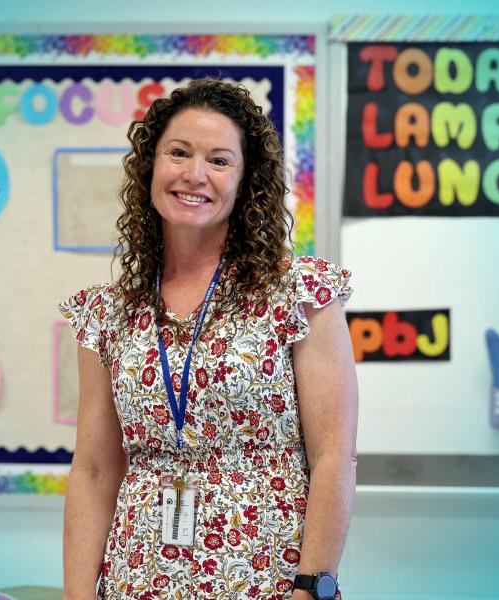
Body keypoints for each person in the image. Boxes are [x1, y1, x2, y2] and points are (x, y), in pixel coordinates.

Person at [59, 78, 358, 600]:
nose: (194, 175)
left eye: (219, 160)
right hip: (138, 578)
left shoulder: (299, 293)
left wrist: (314, 587)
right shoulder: (107, 314)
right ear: (151, 165)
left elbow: (335, 454)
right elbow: (93, 471)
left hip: (267, 580)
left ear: (245, 181)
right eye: (178, 153)